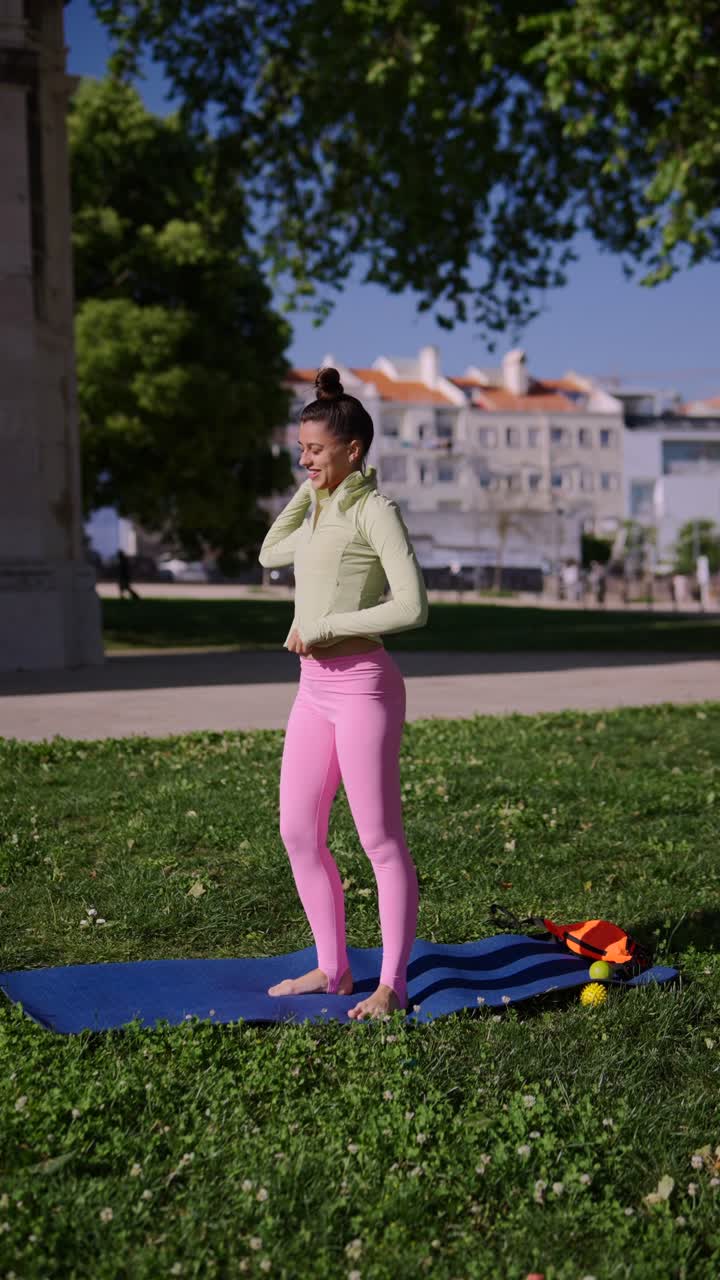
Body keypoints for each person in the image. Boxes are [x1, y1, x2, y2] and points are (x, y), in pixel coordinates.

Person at [258, 366, 428, 1021]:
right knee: (299, 831)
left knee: (380, 840)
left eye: (316, 450)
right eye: (300, 449)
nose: (304, 459)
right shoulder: (321, 507)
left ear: (354, 451)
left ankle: (392, 985)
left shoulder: (375, 511)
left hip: (364, 691)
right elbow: (273, 551)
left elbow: (412, 607)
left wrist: (326, 625)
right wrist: (312, 491)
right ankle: (333, 968)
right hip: (313, 694)